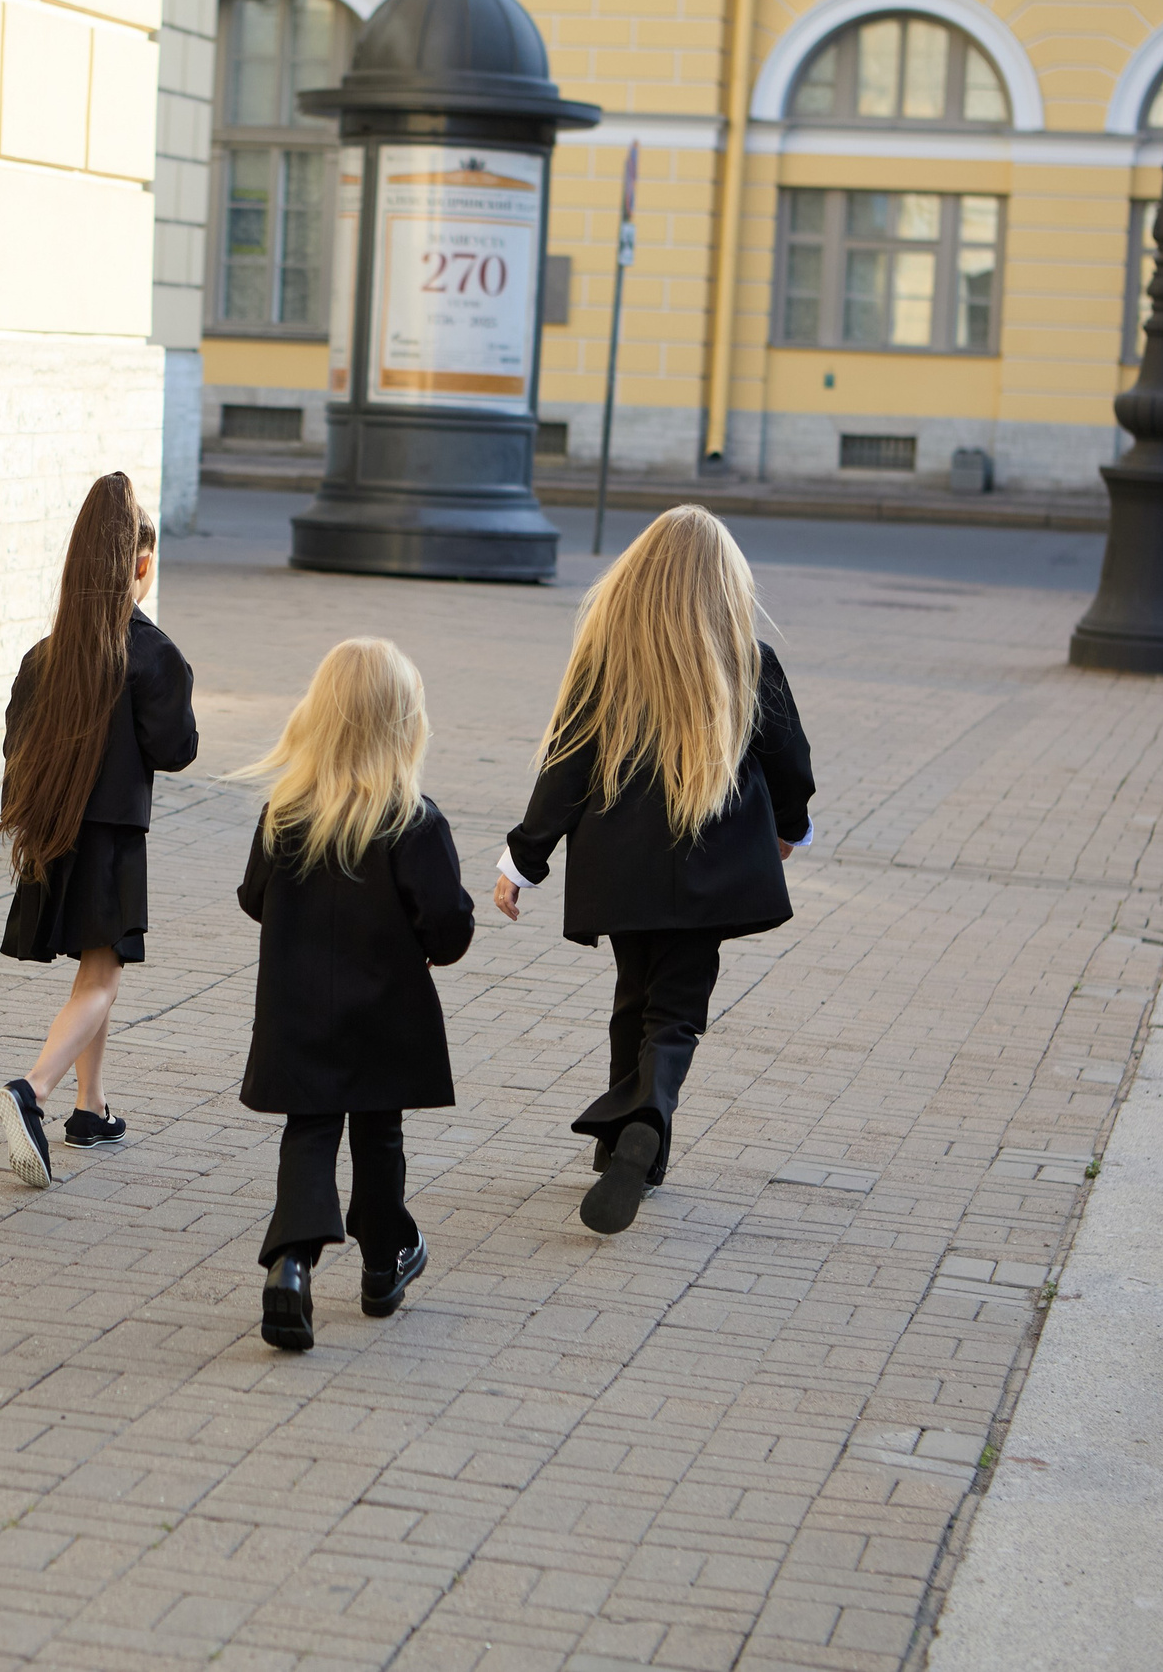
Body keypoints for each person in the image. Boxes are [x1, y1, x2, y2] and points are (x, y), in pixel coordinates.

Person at [496, 505, 814, 1236]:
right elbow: (789, 763)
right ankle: (645, 1120)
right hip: (713, 872)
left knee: (632, 992)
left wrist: (524, 858)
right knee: (676, 1010)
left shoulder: (605, 661)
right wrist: (790, 829)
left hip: (620, 872)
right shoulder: (750, 662)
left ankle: (621, 1142)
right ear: (724, 584)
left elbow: (565, 767)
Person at [236, 638, 473, 1352]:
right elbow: (449, 928)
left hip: (298, 1006)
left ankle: (291, 1266)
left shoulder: (286, 813)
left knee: (308, 1131)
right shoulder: (413, 819)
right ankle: (382, 1261)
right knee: (379, 1131)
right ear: (404, 724)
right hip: (384, 1010)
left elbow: (254, 897)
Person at [0, 473, 197, 1188]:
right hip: (112, 839)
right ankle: (32, 1090)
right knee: (103, 977)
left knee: (93, 971)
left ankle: (89, 1107)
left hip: (56, 834)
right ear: (140, 564)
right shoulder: (152, 654)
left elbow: (15, 749)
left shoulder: (44, 657)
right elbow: (177, 747)